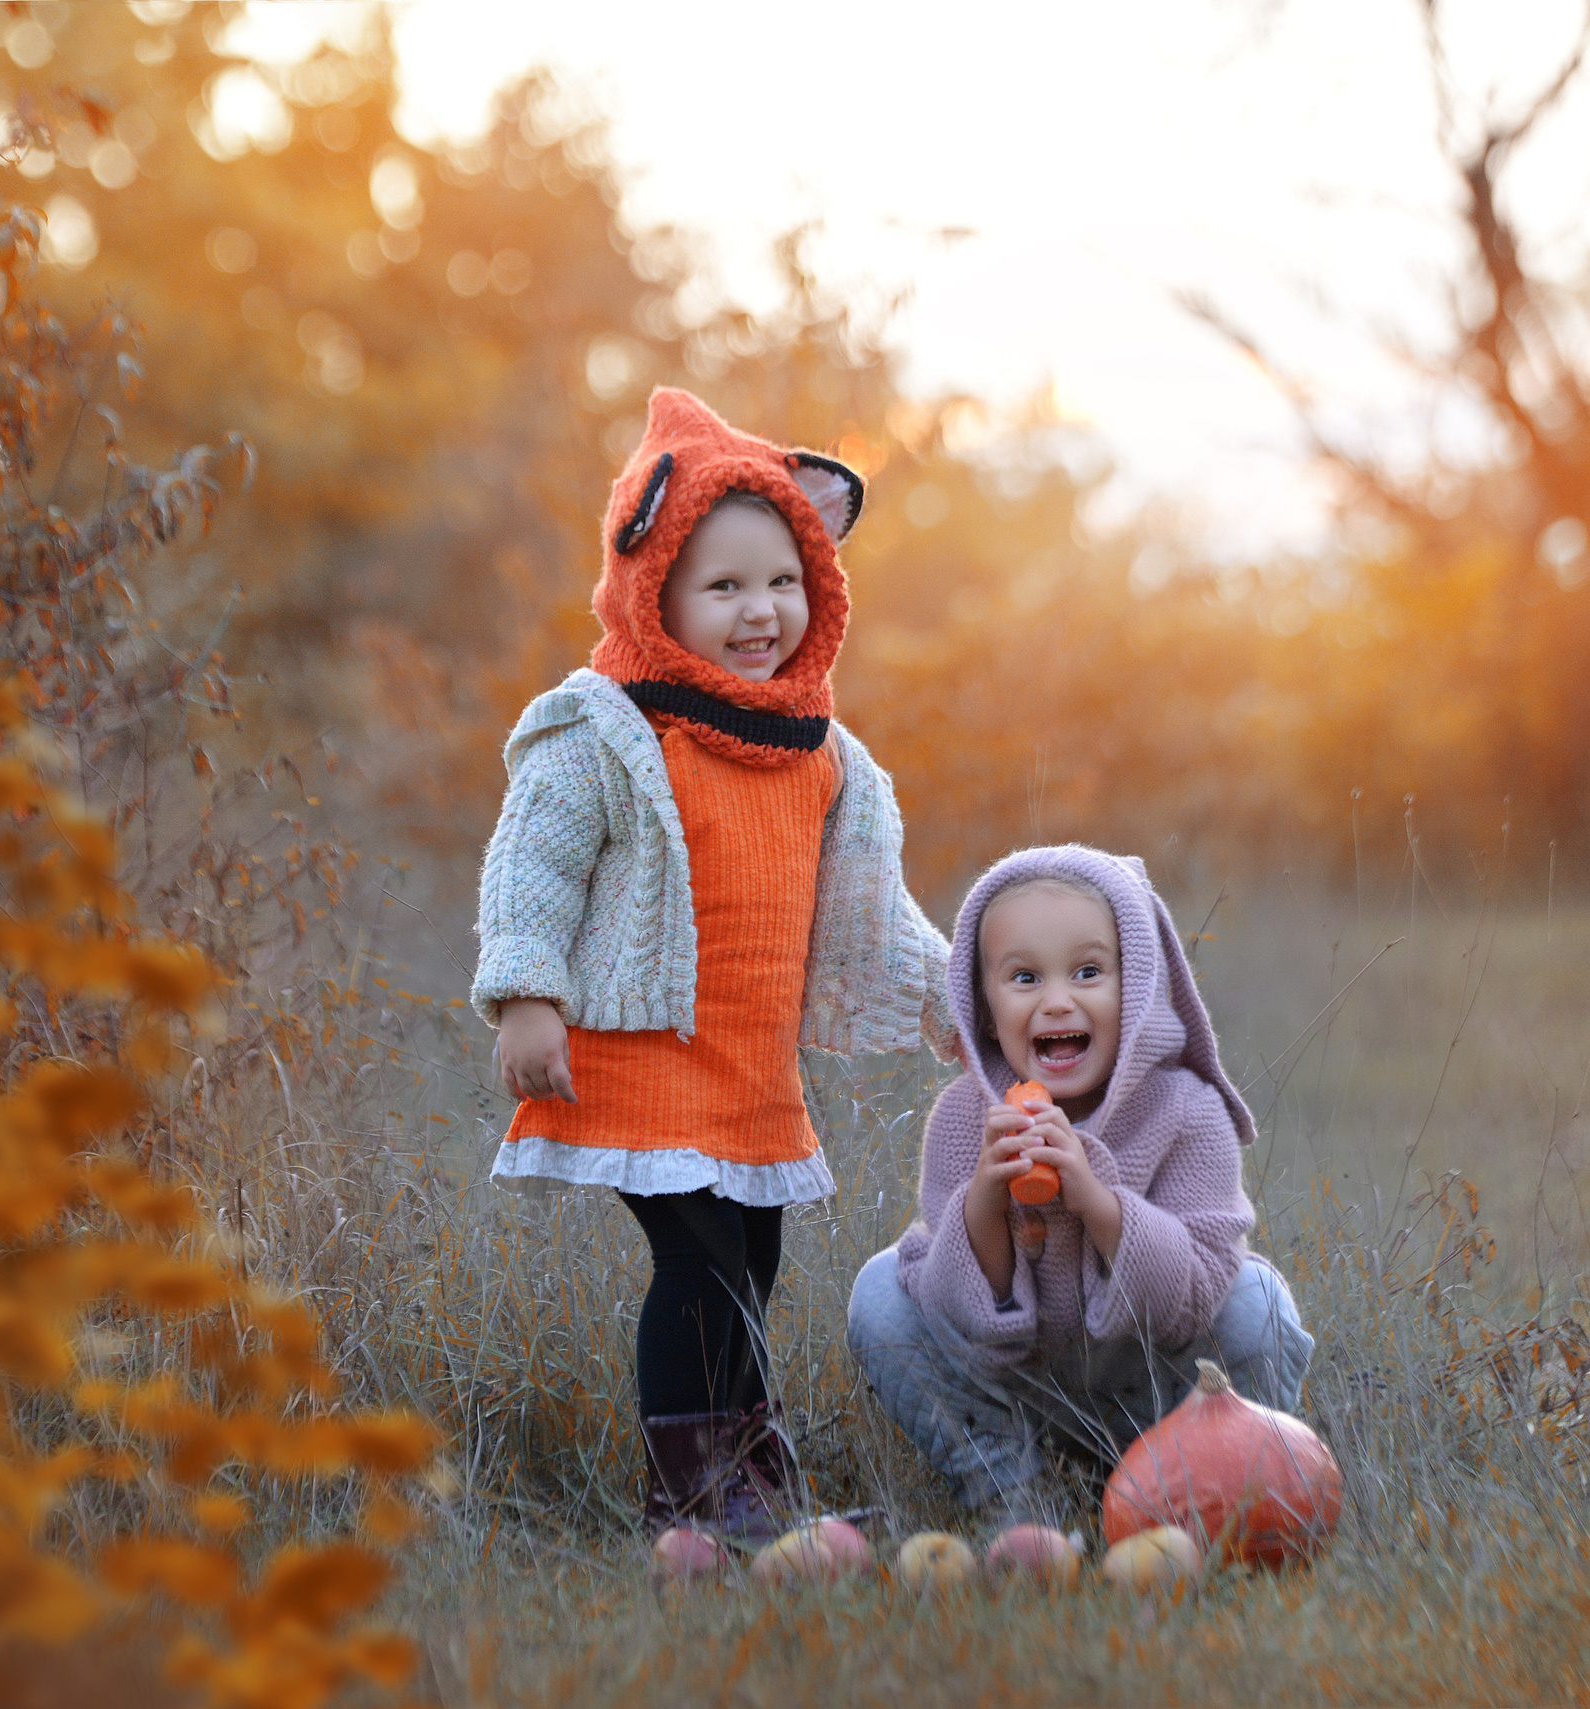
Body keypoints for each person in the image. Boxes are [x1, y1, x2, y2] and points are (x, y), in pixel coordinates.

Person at [473, 388, 952, 1541]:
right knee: (702, 1264)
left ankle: (749, 1466)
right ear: (654, 590)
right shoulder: (609, 728)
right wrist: (527, 995)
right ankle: (688, 1492)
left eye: (784, 579)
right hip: (643, 1053)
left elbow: (872, 906)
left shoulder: (816, 752)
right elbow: (532, 863)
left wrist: (956, 996)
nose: (760, 609)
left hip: (747, 1070)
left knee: (754, 1258)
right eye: (724, 585)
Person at [848, 844, 1314, 1517]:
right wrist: (984, 1200)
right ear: (984, 1008)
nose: (1058, 1001)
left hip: (1156, 1392)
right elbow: (955, 1309)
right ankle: (1010, 1492)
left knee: (1257, 1300)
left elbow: (1192, 1296)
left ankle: (1219, 1489)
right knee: (879, 1293)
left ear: (1137, 987)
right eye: (1025, 977)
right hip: (1019, 1394)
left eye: (1089, 971)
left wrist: (1095, 1198)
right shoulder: (965, 1118)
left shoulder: (1186, 1110)